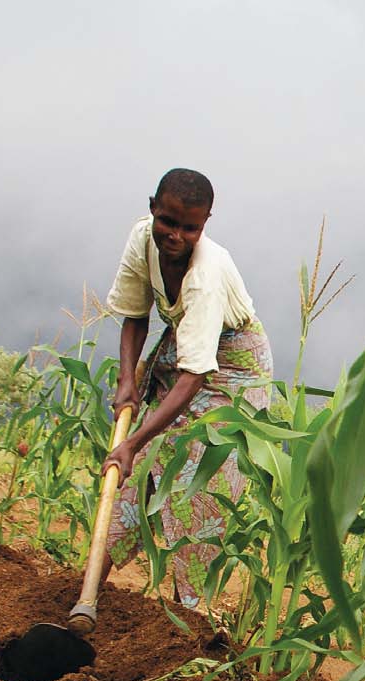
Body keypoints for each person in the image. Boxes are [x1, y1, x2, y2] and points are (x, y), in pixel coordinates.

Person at [93, 167, 273, 614]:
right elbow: (135, 313)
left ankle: (189, 618)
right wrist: (127, 381)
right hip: (186, 346)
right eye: (168, 222)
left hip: (234, 369)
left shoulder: (206, 277)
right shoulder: (141, 240)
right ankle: (86, 594)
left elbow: (195, 378)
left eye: (189, 227)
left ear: (205, 223)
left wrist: (134, 441)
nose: (176, 235)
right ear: (153, 206)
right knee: (136, 476)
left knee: (195, 488)